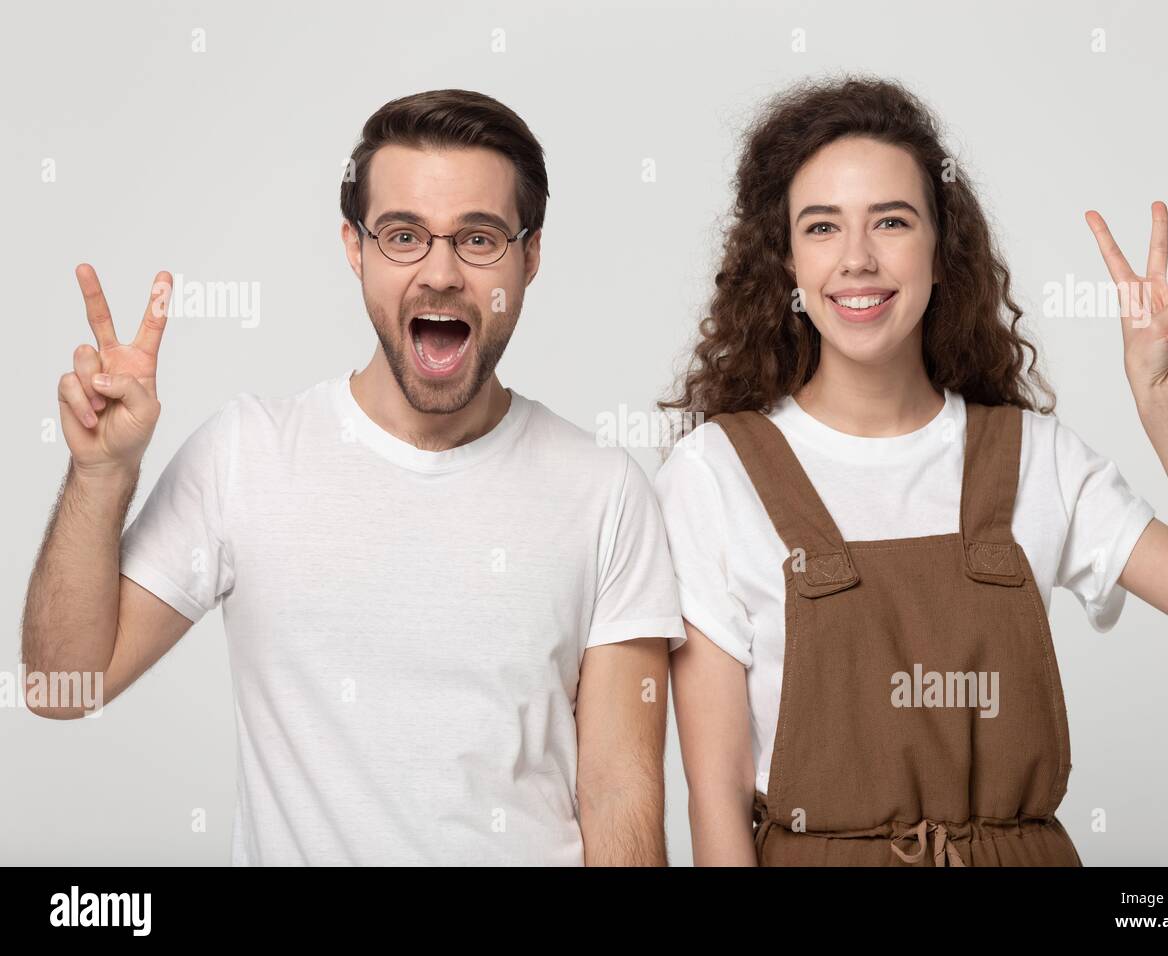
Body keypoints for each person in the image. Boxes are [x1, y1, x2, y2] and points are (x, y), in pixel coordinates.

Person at [21, 89, 685, 866]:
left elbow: (618, 795)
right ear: (355, 248)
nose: (440, 273)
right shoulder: (249, 454)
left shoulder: (606, 493)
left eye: (478, 237)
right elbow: (63, 687)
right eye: (403, 235)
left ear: (529, 257)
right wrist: (101, 474)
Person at [654, 76, 1168, 866]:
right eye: (822, 227)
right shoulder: (714, 474)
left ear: (940, 248)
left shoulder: (1035, 458)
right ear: (786, 261)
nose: (857, 259)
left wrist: (1166, 408)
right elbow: (713, 795)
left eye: (892, 221)